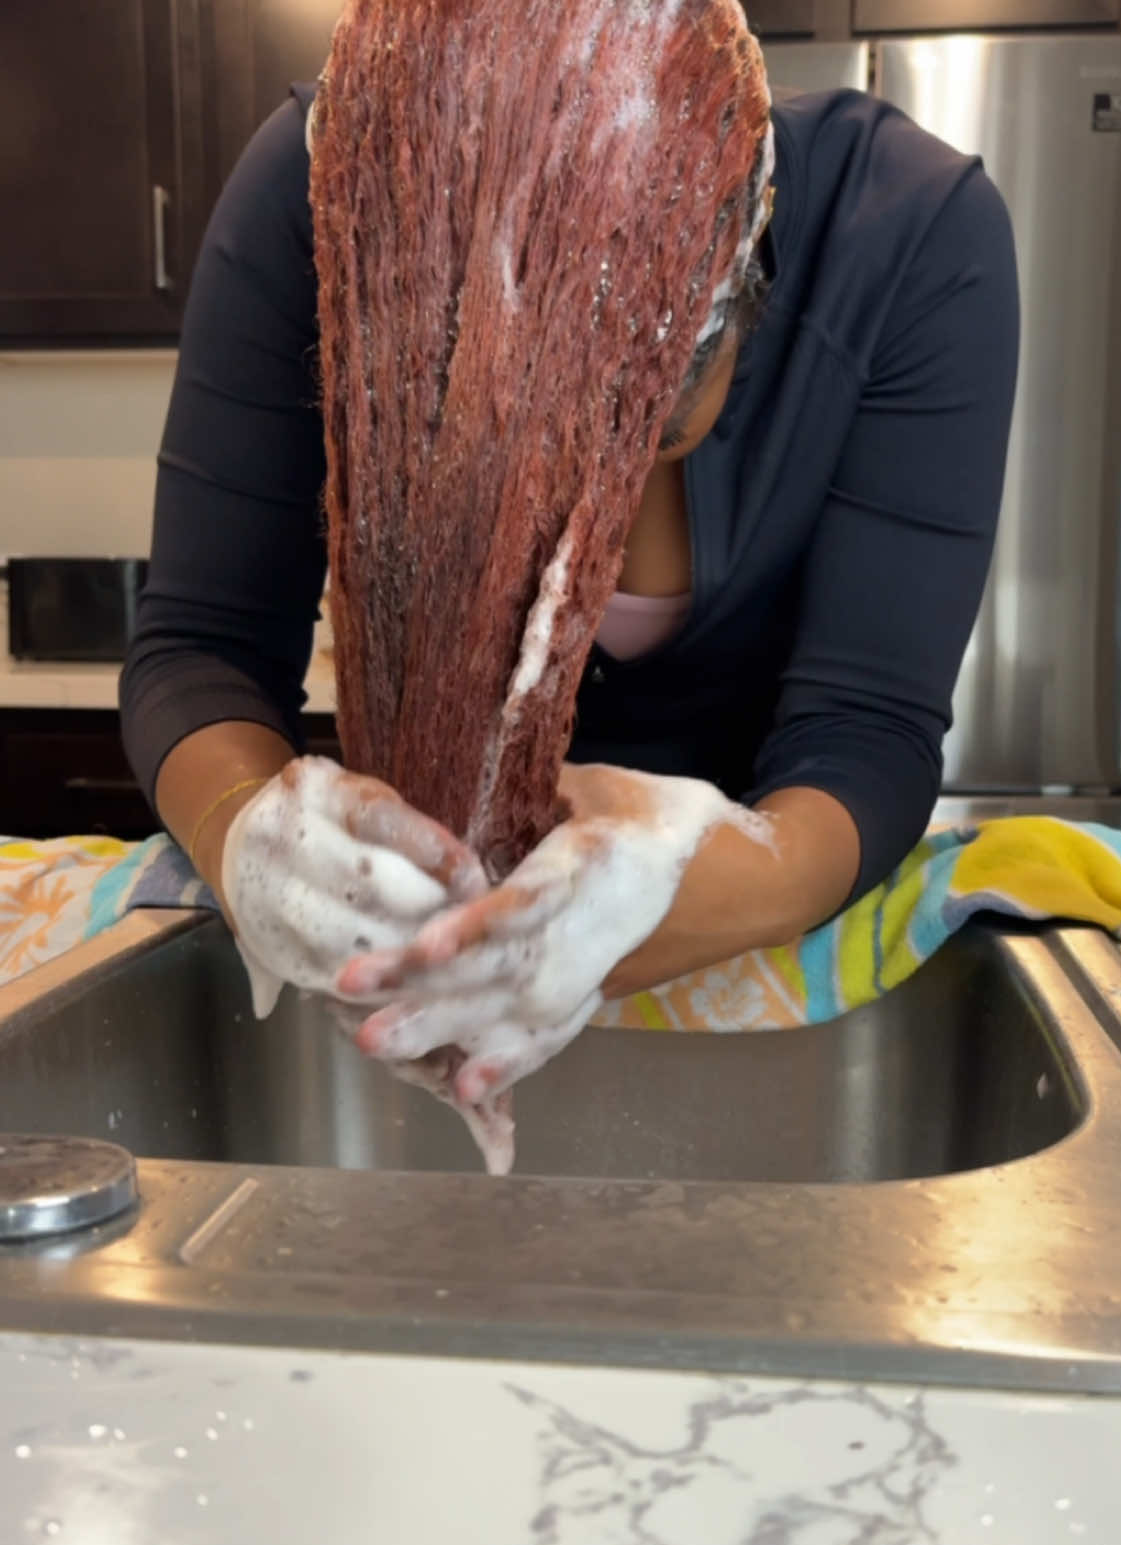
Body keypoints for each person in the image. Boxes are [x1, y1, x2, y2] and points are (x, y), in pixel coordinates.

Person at [121, 0, 1018, 1159]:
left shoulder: (915, 244)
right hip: (403, 963)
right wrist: (246, 833)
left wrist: (723, 876)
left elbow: (867, 731)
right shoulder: (313, 199)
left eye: (630, 435)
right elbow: (199, 652)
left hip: (743, 999)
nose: (566, 519)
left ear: (748, 268)